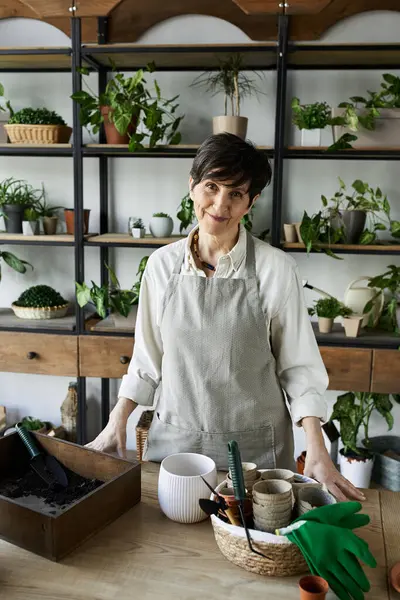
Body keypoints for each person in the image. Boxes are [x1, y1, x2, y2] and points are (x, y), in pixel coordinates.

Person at [87, 132, 365, 502]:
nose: (220, 204)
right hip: (175, 449)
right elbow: (148, 359)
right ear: (192, 186)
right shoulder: (161, 266)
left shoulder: (276, 269)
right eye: (211, 186)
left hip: (255, 456)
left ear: (251, 202)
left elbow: (298, 368)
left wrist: (316, 446)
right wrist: (117, 419)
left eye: (235, 193)